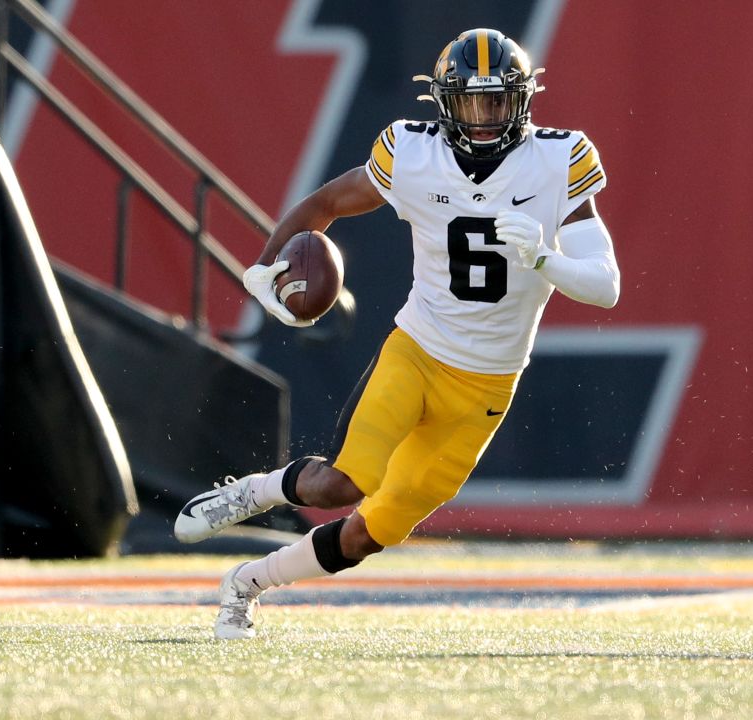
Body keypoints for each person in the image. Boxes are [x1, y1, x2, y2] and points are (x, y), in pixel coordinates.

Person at [174, 28, 621, 639]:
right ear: (442, 102)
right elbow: (328, 202)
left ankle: (246, 584)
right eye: (469, 102)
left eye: (496, 103)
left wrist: (545, 258)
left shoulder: (559, 158)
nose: (484, 118)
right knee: (339, 484)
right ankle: (256, 491)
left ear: (523, 102)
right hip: (417, 350)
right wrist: (264, 267)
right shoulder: (412, 153)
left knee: (369, 534)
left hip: (488, 387)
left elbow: (605, 285)